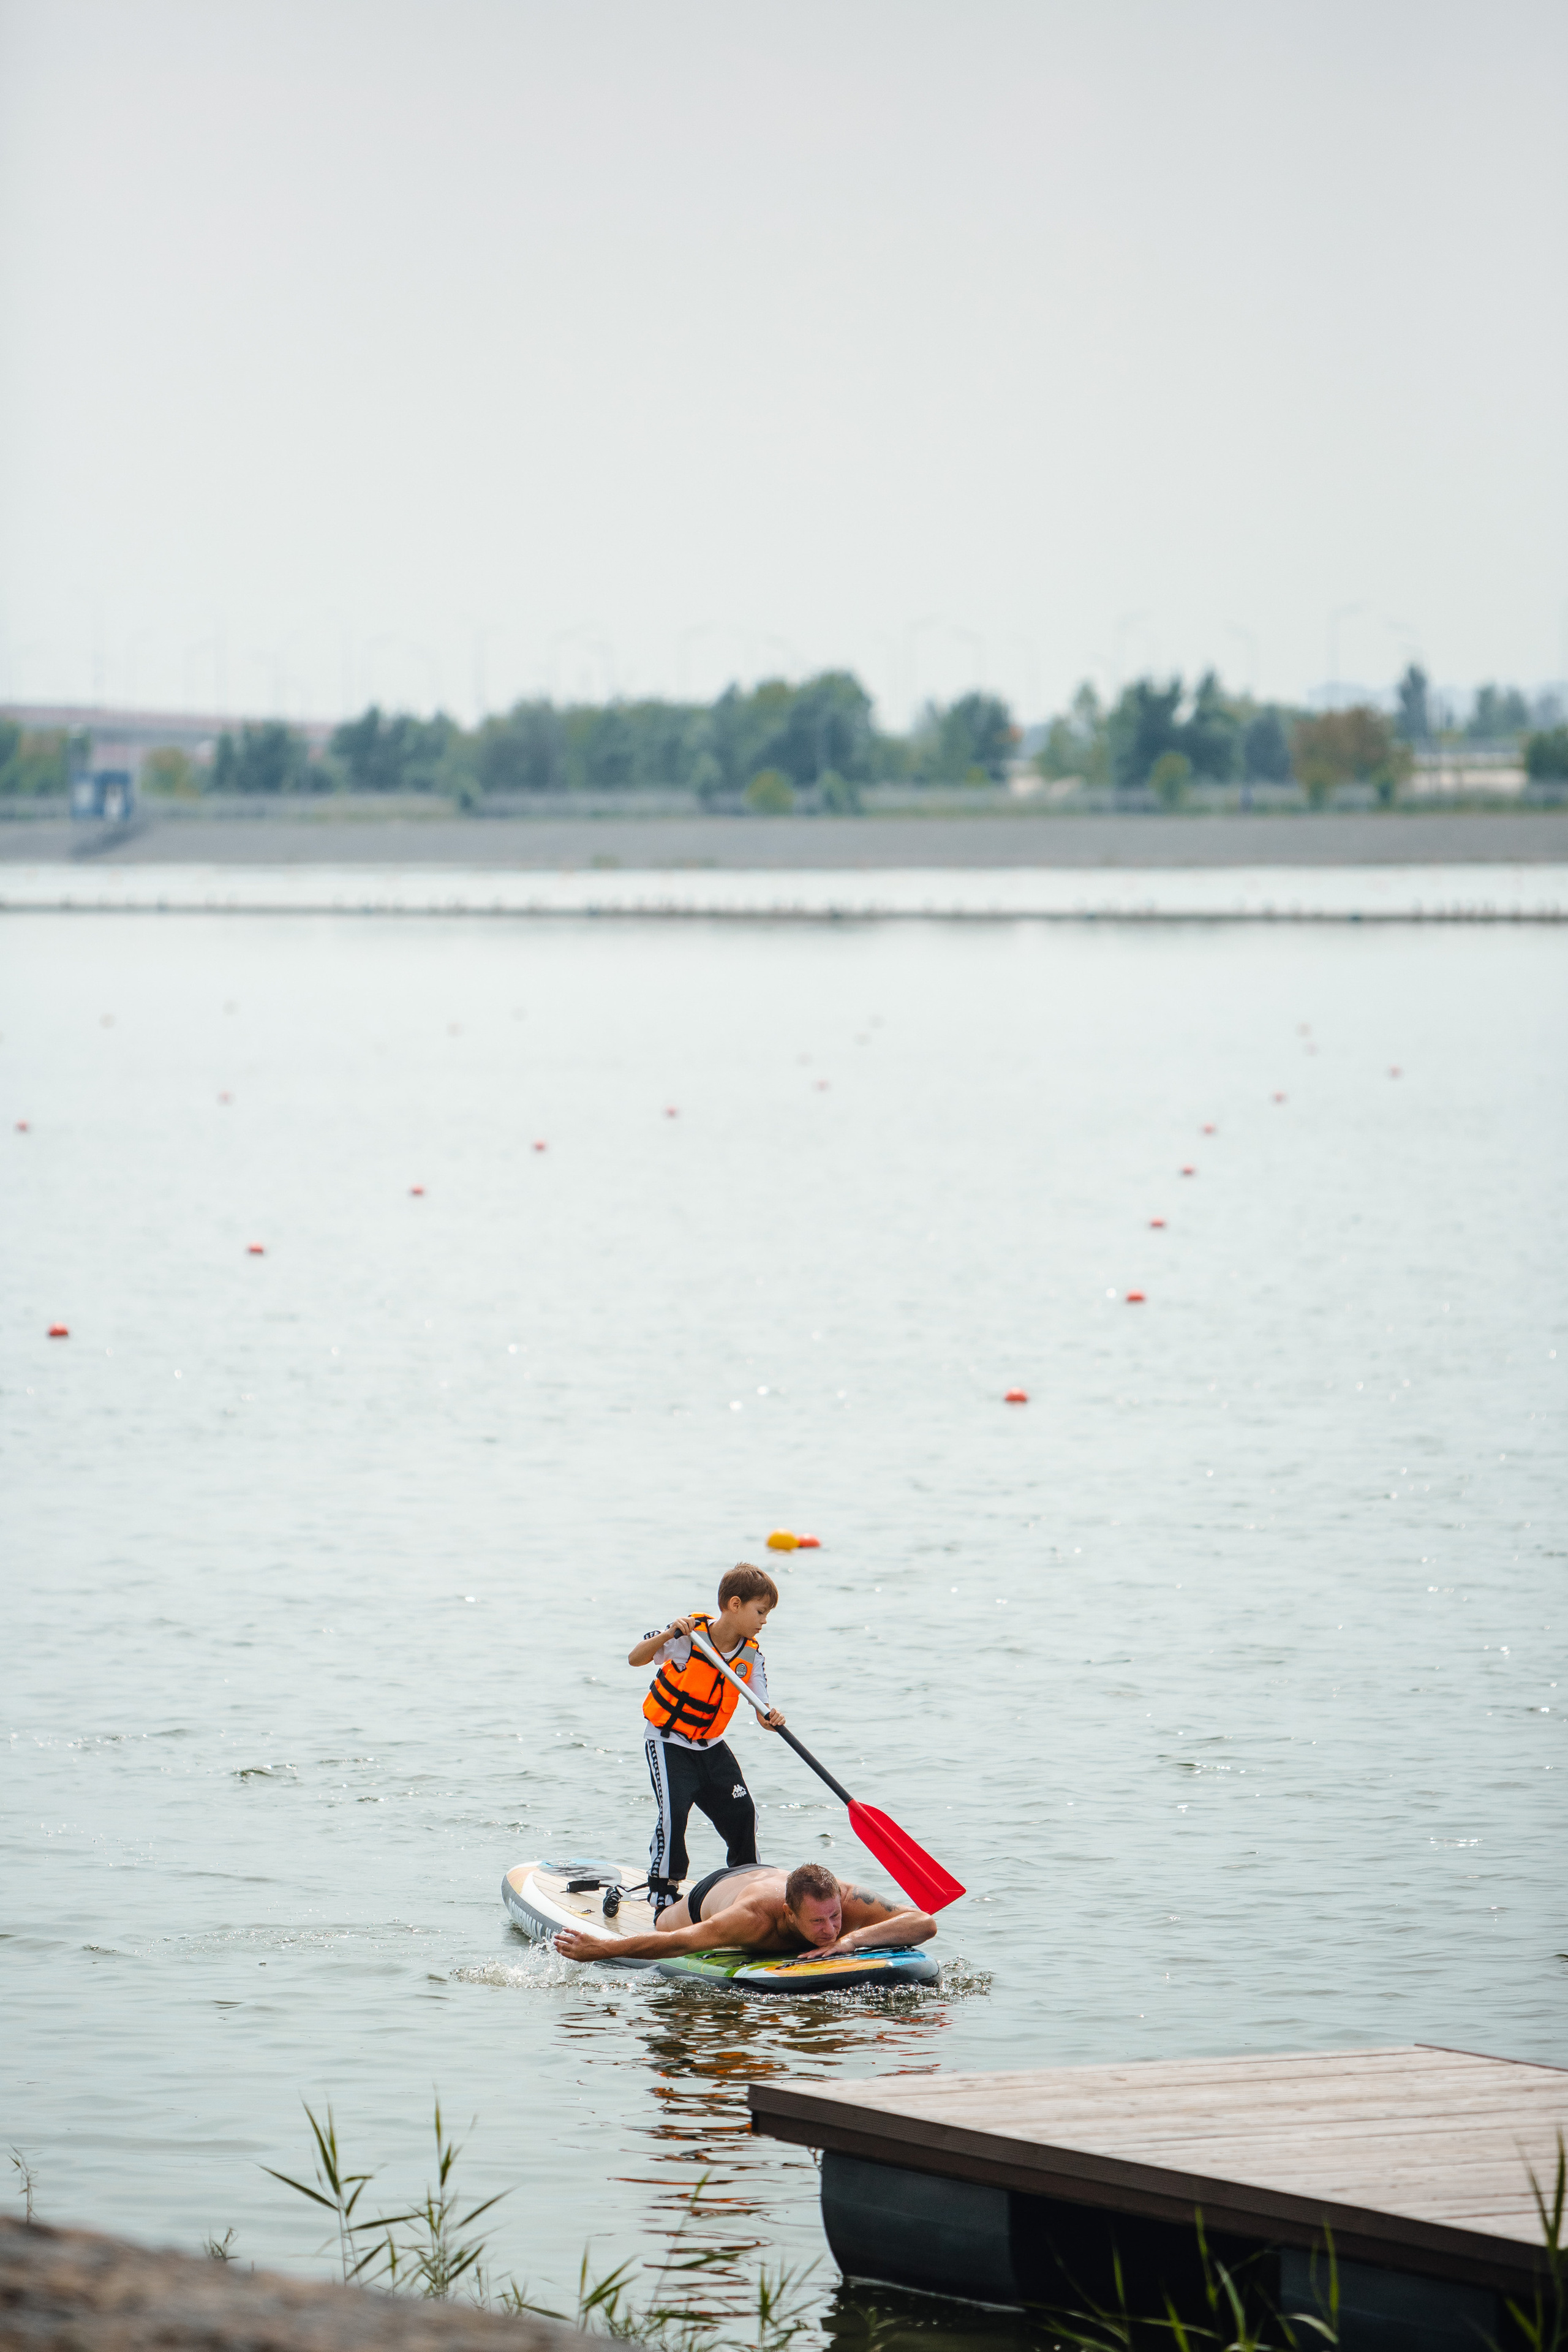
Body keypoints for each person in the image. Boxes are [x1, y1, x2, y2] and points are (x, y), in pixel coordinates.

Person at [631, 1563, 786, 1916]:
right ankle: (664, 1896)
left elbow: (762, 1711)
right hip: (669, 1742)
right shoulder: (688, 1637)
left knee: (743, 1814)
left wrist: (772, 1718)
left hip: (711, 1747)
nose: (764, 1621)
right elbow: (634, 1658)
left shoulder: (751, 1656)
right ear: (735, 1604)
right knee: (674, 1816)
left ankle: (747, 1888)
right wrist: (668, 1633)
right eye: (760, 1612)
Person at [554, 1860, 936, 1964]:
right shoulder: (753, 1919)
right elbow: (677, 1942)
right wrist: (602, 1949)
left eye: (834, 1916)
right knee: (663, 1919)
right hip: (717, 1892)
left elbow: (924, 1922)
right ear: (789, 1914)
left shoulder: (846, 1902)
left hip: (771, 1871)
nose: (830, 1929)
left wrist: (852, 1940)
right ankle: (655, 1894)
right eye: (818, 1922)